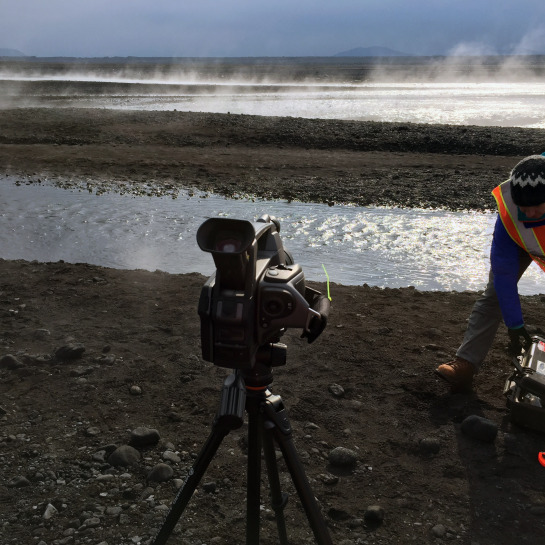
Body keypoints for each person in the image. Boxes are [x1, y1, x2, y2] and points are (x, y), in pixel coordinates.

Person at [436, 154, 545, 389]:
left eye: (536, 207)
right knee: (493, 296)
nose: (530, 214)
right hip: (519, 243)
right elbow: (503, 275)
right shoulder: (509, 214)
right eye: (524, 208)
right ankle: (465, 364)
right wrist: (515, 325)